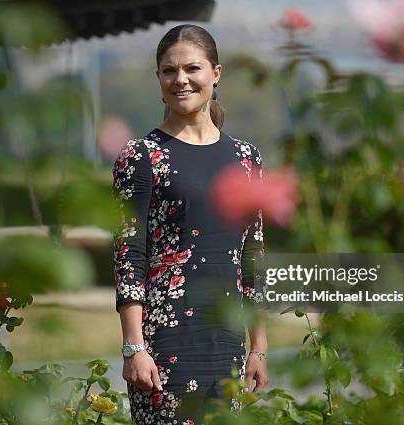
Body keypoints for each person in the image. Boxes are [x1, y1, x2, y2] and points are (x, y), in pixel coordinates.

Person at [112, 24, 269, 425]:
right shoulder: (141, 156)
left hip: (228, 343)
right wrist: (134, 347)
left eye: (192, 69)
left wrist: (259, 348)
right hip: (164, 345)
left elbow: (253, 258)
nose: (180, 79)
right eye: (169, 71)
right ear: (159, 79)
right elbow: (129, 255)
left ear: (215, 74)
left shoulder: (247, 158)